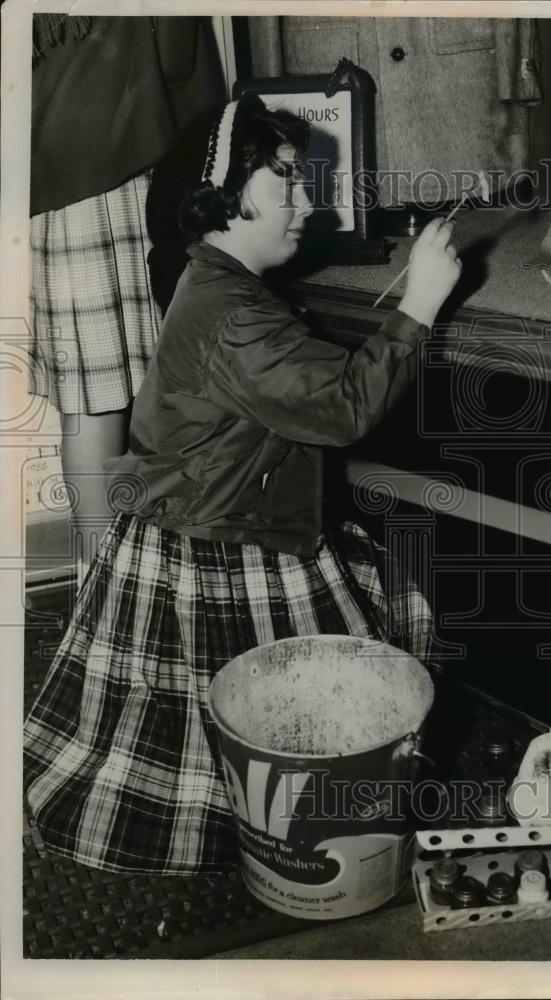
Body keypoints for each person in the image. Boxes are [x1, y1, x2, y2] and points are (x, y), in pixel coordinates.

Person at [22, 94, 461, 874]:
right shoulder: (232, 313)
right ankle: (261, 830)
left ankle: (277, 809)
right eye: (285, 181)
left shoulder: (220, 287)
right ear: (221, 192)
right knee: (231, 707)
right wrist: (420, 303)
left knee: (232, 702)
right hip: (221, 540)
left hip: (211, 519)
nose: (304, 200)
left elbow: (306, 385)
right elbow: (340, 409)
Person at [28, 15, 225, 581]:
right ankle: (130, 596)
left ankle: (103, 591)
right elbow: (183, 61)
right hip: (124, 173)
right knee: (155, 394)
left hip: (47, 182)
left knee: (90, 403)